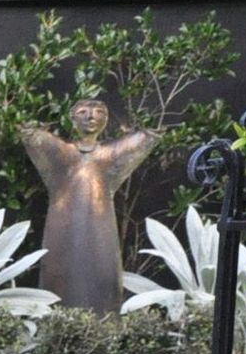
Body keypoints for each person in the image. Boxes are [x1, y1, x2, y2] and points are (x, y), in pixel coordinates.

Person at [21, 97, 156, 316]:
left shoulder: (108, 153)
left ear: (106, 119)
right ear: (72, 118)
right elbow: (32, 137)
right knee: (61, 271)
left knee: (101, 268)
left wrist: (148, 135)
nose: (91, 117)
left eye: (98, 112)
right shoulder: (64, 152)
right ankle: (59, 323)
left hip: (100, 228)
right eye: (83, 112)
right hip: (62, 226)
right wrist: (29, 131)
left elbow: (142, 140)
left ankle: (101, 327)